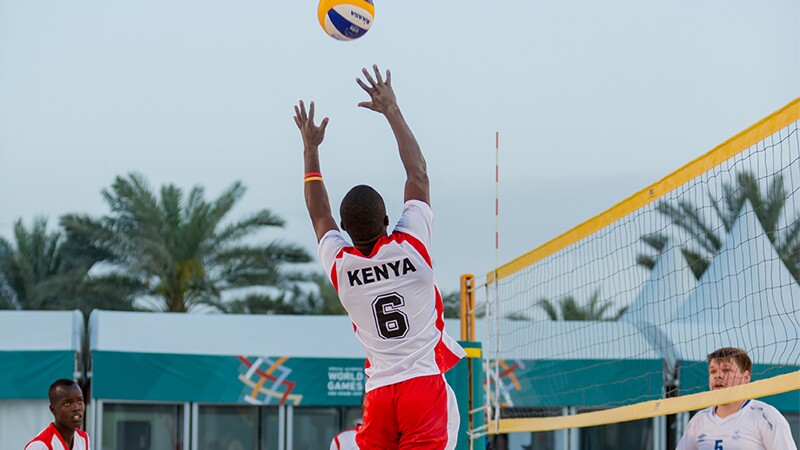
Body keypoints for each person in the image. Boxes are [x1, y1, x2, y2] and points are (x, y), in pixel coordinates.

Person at [293, 64, 466, 450]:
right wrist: (392, 110)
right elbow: (417, 173)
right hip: (422, 386)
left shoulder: (342, 268)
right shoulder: (412, 247)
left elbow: (318, 214)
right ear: (388, 219)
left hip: (380, 394)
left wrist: (310, 150)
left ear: (345, 229)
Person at [676, 347, 797, 450]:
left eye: (726, 370)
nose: (718, 376)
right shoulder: (698, 421)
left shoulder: (766, 417)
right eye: (713, 371)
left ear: (746, 378)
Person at [25, 379, 90, 450]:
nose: (76, 407)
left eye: (79, 401)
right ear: (53, 410)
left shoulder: (83, 438)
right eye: (67, 403)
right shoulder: (41, 445)